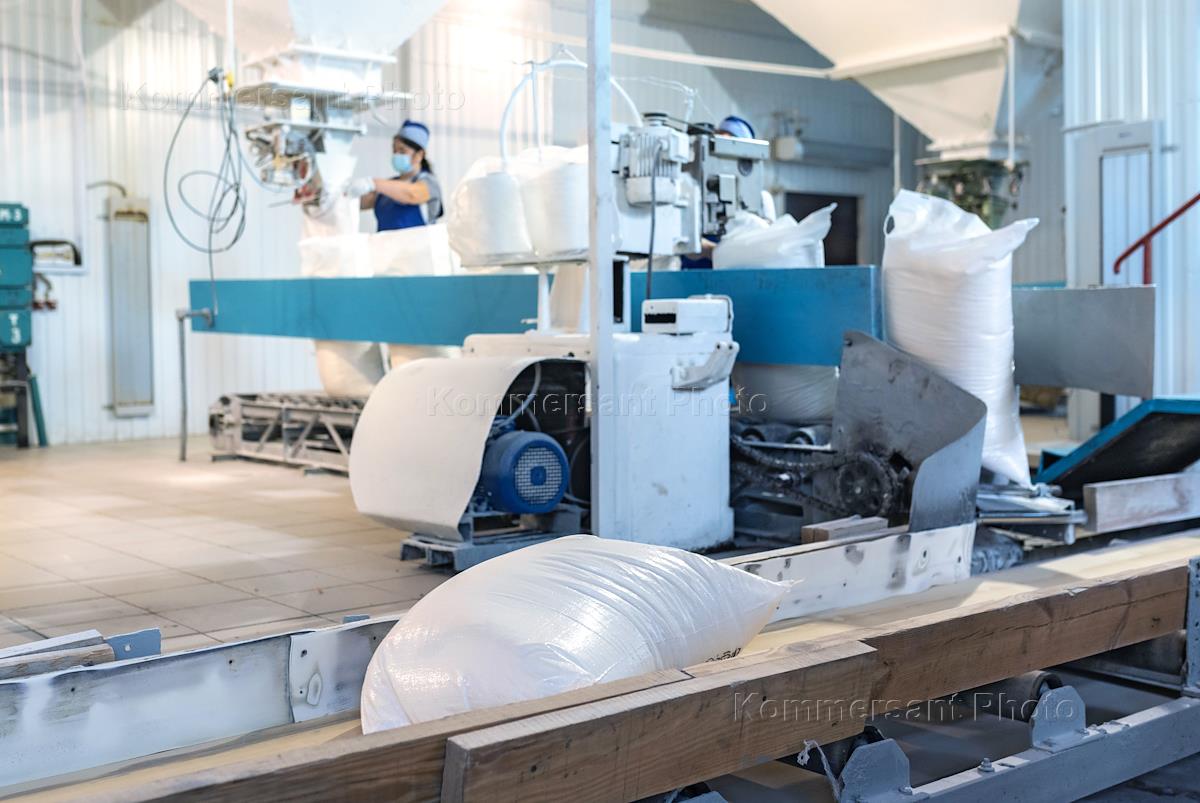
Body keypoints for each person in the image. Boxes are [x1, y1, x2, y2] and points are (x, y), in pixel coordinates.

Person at [680, 115, 758, 269]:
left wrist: (710, 251)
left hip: (731, 275)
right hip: (689, 274)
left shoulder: (759, 201)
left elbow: (759, 251)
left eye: (728, 141)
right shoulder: (694, 189)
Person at [347, 120, 442, 231]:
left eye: (402, 151)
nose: (396, 154)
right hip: (384, 242)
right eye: (394, 150)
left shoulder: (429, 183)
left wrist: (372, 183)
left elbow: (411, 194)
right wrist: (345, 194)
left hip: (418, 243)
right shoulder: (387, 188)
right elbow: (357, 203)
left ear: (419, 155)